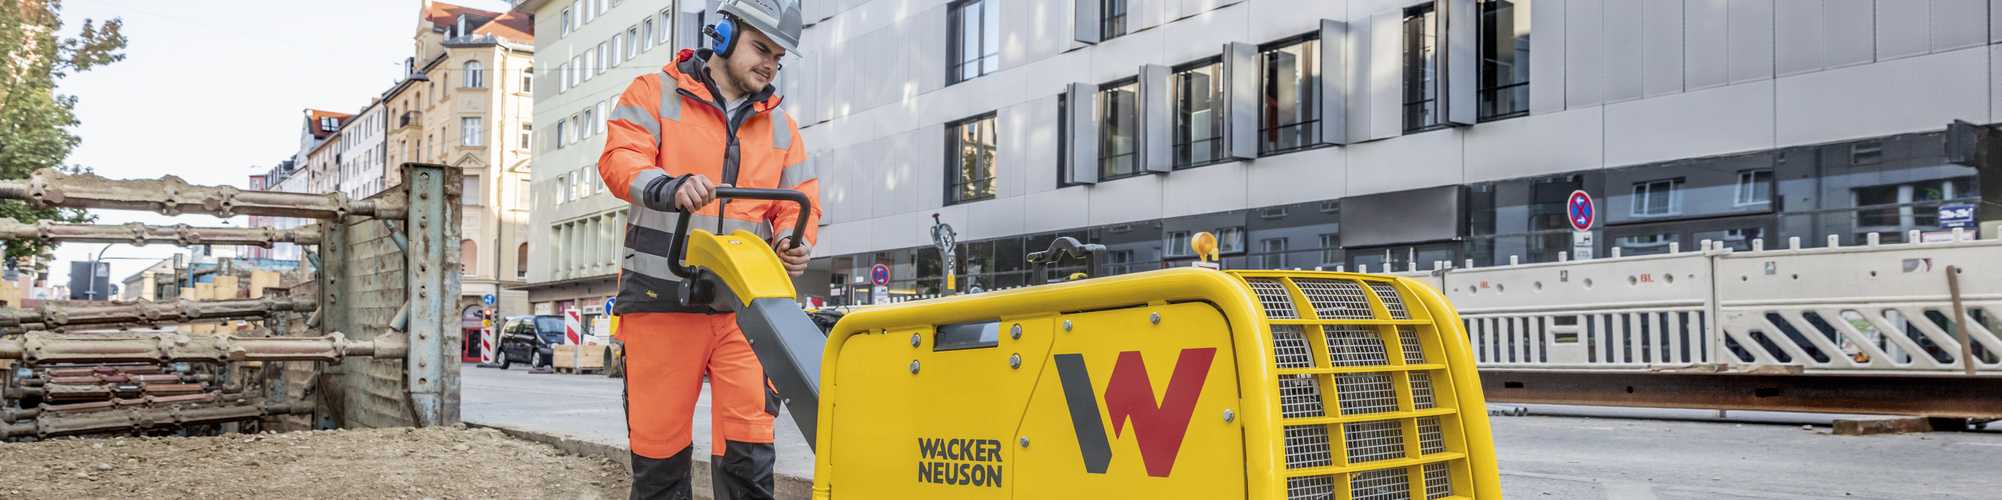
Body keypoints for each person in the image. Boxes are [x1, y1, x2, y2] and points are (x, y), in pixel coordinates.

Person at [596, 0, 813, 498]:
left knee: (750, 458)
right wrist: (667, 185)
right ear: (723, 35)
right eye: (761, 48)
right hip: (661, 302)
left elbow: (803, 202)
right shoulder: (652, 93)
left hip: (745, 311)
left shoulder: (783, 127)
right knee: (659, 461)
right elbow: (619, 159)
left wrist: (792, 240)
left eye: (779, 57)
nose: (770, 64)